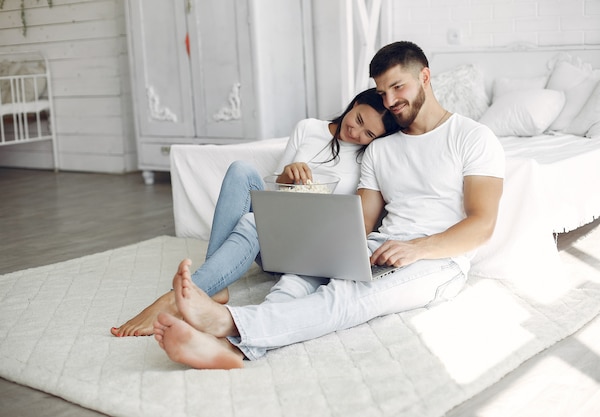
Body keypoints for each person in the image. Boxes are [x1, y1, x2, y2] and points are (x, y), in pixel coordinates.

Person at [151, 40, 506, 370]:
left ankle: (227, 324)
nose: (391, 100)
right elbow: (361, 224)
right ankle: (232, 348)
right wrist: (323, 246)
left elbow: (482, 223)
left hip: (437, 261)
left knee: (346, 297)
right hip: (380, 245)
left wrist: (416, 248)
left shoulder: (472, 138)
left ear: (424, 77)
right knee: (296, 279)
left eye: (399, 87)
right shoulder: (380, 149)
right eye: (383, 92)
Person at [111, 88, 400, 337]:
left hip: (310, 248)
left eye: (368, 133)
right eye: (359, 119)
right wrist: (287, 176)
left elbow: (356, 220)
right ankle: (215, 284)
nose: (356, 132)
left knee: (252, 222)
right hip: (276, 238)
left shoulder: (369, 157)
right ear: (353, 105)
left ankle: (178, 298)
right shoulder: (308, 128)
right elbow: (270, 195)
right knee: (242, 171)